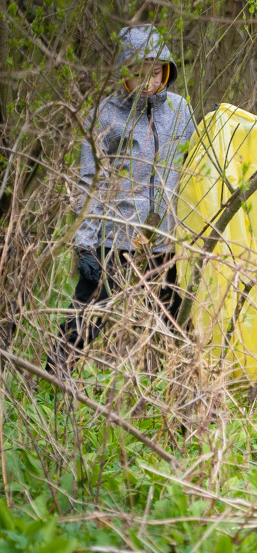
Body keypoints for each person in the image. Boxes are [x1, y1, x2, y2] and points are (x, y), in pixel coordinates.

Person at [48, 24, 196, 372]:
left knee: (167, 318)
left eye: (156, 72)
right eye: (138, 73)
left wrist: (220, 125)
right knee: (89, 311)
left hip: (167, 238)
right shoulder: (107, 114)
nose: (148, 82)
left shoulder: (179, 109)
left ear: (167, 70)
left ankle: (158, 388)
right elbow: (91, 180)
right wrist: (85, 244)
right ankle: (56, 373)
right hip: (117, 234)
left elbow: (197, 159)